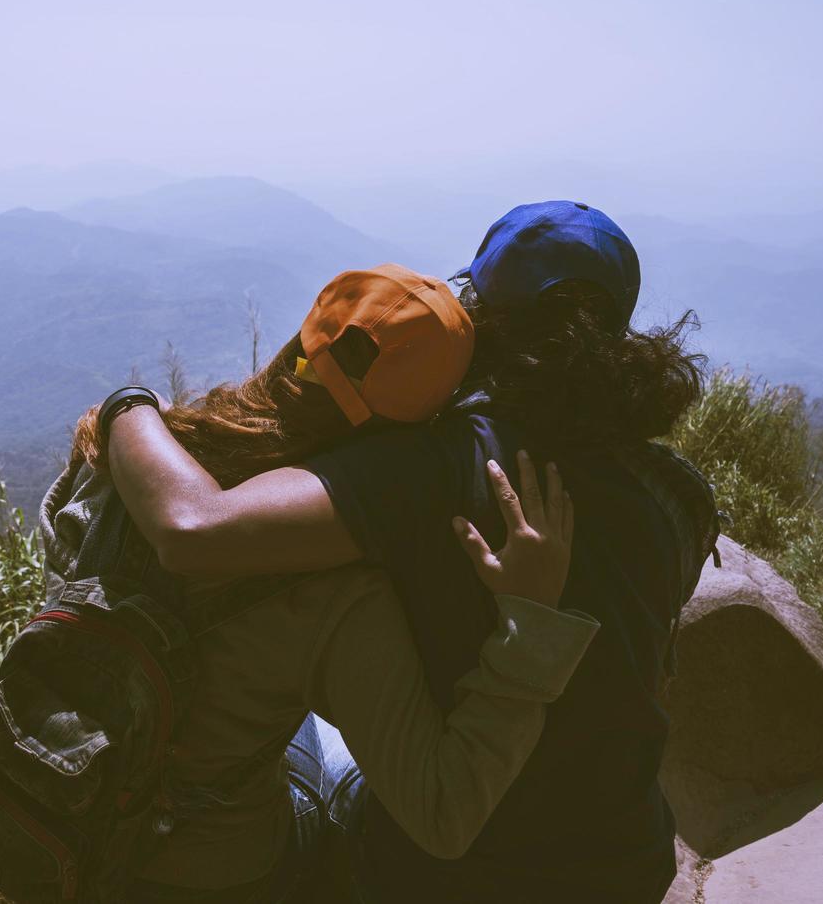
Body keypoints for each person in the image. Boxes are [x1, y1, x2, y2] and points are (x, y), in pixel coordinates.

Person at [105, 202, 710, 902]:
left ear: (481, 314)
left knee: (311, 727)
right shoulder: (676, 494)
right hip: (625, 864)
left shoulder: (436, 467)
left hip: (453, 873)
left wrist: (128, 404)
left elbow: (195, 530)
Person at [48, 264, 601, 901]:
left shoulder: (132, 461)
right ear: (423, 428)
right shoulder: (339, 592)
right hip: (211, 875)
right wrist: (530, 623)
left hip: (69, 803)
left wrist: (131, 408)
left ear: (306, 342)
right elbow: (444, 814)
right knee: (337, 750)